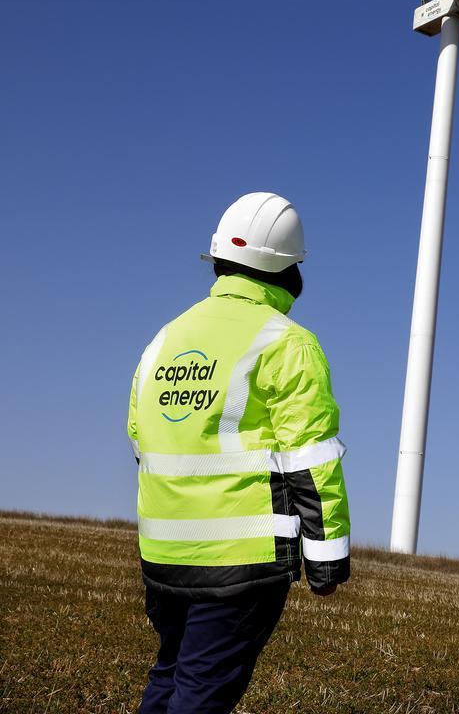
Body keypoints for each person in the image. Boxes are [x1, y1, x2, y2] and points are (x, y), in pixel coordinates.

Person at [127, 192, 351, 714]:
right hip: (240, 563)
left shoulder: (166, 338)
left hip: (163, 555)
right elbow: (311, 458)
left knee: (172, 673)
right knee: (202, 694)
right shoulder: (286, 343)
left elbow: (141, 435)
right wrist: (326, 558)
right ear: (288, 271)